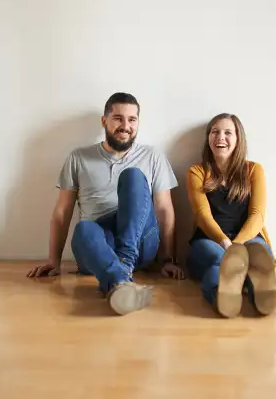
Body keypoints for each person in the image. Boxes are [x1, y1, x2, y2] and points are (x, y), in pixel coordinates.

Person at [27, 92, 185, 315]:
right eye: (118, 118)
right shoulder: (79, 157)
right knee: (84, 228)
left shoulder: (152, 156)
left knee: (133, 177)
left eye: (132, 119)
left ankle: (123, 265)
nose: (125, 125)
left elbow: (164, 210)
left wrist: (168, 259)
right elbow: (62, 212)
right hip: (98, 246)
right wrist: (54, 260)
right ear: (104, 121)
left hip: (139, 242)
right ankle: (121, 280)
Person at [185, 113, 276, 318]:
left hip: (250, 238)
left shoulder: (254, 170)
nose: (220, 137)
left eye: (228, 133)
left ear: (238, 139)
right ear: (208, 138)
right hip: (210, 240)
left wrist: (237, 246)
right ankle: (220, 295)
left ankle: (262, 294)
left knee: (257, 261)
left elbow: (257, 215)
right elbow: (202, 215)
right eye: (215, 132)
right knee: (219, 261)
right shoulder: (197, 172)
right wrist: (225, 243)